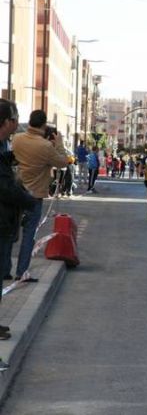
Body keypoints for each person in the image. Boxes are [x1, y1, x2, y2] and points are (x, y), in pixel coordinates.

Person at [11, 110, 69, 282]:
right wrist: (59, 143)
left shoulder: (17, 139)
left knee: (9, 232)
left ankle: (5, 269)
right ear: (44, 124)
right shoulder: (46, 147)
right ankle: (22, 272)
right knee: (29, 234)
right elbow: (63, 162)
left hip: (16, 190)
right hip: (34, 195)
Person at [0, 99, 36, 341]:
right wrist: (28, 200)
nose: (17, 123)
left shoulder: (4, 147)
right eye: (15, 119)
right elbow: (4, 188)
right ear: (6, 122)